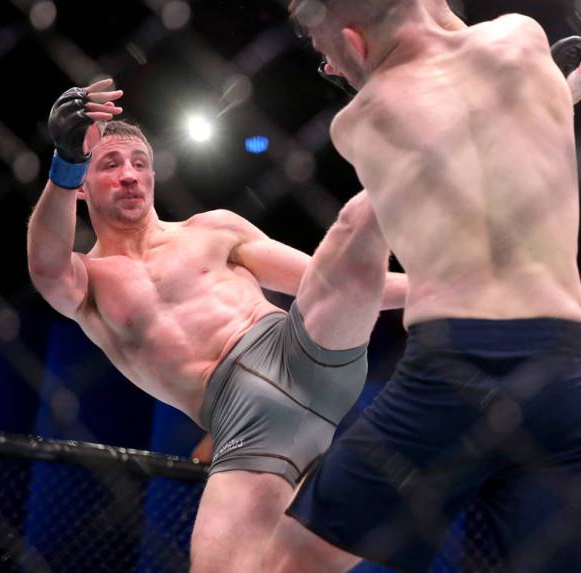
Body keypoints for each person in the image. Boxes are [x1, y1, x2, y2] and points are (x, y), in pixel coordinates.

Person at [264, 0, 581, 573]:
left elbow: (426, 98)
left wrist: (403, 10)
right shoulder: (520, 42)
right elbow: (465, 76)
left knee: (287, 561)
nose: (332, 71)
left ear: (351, 41)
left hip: (450, 375)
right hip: (565, 375)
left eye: (328, 54)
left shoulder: (360, 120)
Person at [26, 84, 407, 573]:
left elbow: (319, 279)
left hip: (300, 349)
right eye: (110, 164)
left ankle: (422, 138)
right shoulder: (88, 280)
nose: (129, 176)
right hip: (246, 425)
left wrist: (436, 289)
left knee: (353, 231)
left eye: (140, 163)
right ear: (82, 185)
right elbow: (45, 268)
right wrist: (64, 161)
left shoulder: (213, 229)